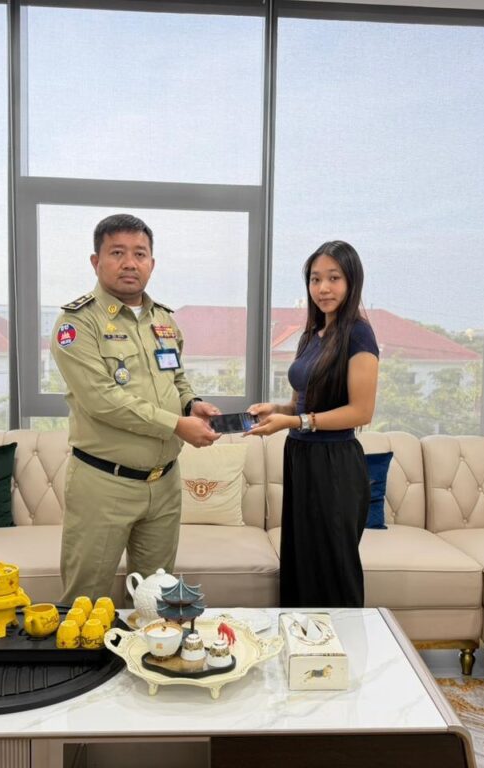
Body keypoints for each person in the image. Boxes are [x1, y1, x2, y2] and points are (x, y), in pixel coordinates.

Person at [50, 214, 220, 605]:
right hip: (104, 484)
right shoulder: (77, 324)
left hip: (164, 484)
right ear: (96, 261)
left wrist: (192, 404)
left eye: (139, 254)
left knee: (155, 603)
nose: (130, 263)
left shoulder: (163, 320)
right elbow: (102, 399)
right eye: (117, 253)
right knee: (84, 603)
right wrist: (176, 425)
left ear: (152, 263)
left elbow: (176, 379)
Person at [247, 241, 379, 608]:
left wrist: (293, 420)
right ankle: (299, 640)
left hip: (335, 463)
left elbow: (361, 412)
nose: (323, 288)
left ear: (352, 281)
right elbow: (303, 402)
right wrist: (276, 409)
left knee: (334, 568)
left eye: (334, 278)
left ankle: (345, 643)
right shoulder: (311, 335)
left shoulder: (358, 334)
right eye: (315, 279)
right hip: (300, 456)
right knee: (301, 562)